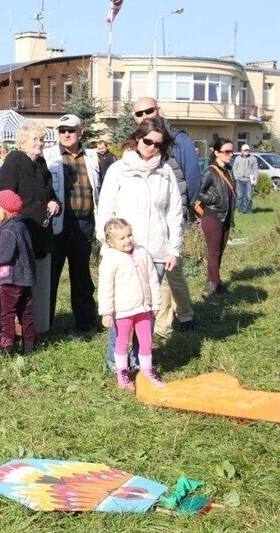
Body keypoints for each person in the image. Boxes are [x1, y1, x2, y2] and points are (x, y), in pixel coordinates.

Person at [96, 118, 183, 372]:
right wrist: (110, 246)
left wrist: (173, 249)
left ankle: (140, 361)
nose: (152, 147)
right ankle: (117, 363)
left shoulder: (165, 172)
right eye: (147, 141)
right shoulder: (119, 169)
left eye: (158, 144)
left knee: (146, 311)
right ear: (137, 139)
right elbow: (106, 211)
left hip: (155, 252)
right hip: (123, 254)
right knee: (123, 311)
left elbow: (174, 213)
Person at [132, 97, 197, 337]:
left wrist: (181, 214)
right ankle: (183, 314)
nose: (145, 115)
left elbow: (192, 179)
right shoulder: (137, 141)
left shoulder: (179, 139)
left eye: (149, 110)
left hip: (172, 217)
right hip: (146, 219)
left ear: (159, 109)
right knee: (163, 272)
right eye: (139, 113)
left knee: (170, 271)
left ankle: (165, 325)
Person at [0, 120, 61, 335]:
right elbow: (2, 198)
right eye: (35, 139)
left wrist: (54, 203)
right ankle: (16, 332)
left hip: (42, 233)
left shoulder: (42, 165)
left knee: (40, 283)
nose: (40, 143)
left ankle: (38, 328)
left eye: (42, 139)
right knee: (19, 287)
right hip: (19, 233)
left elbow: (51, 195)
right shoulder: (13, 162)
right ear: (23, 142)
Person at [44, 114, 100, 332]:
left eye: (71, 130)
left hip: (84, 222)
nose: (66, 134)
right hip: (57, 225)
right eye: (62, 131)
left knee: (82, 275)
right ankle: (44, 323)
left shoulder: (93, 157)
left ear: (81, 131)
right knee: (51, 276)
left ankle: (86, 322)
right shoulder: (48, 156)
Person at [98, 218, 164, 390]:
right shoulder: (110, 259)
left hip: (143, 308)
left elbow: (152, 278)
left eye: (129, 235)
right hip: (123, 310)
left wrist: (155, 302)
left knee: (146, 340)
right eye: (122, 238)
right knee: (122, 342)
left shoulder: (142, 253)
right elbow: (105, 287)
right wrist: (106, 312)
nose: (128, 240)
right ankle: (122, 374)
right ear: (111, 242)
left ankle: (147, 371)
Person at [0, 190, 36, 355]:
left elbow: (5, 256)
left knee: (7, 314)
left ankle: (7, 346)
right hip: (25, 278)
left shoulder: (7, 230)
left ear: (5, 210)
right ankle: (29, 346)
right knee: (25, 313)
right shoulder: (21, 225)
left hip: (11, 278)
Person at [198, 138, 236, 297]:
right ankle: (216, 284)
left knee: (219, 252)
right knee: (213, 252)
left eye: (231, 151)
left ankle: (210, 283)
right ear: (217, 153)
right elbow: (197, 192)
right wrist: (214, 200)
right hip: (212, 216)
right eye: (226, 151)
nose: (230, 154)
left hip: (226, 217)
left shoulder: (229, 170)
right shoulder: (210, 171)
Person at [232, 144, 257, 214]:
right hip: (239, 179)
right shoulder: (237, 158)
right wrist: (236, 177)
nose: (246, 151)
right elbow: (234, 168)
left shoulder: (253, 158)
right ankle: (240, 210)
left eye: (247, 150)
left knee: (249, 196)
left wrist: (256, 178)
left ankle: (249, 211)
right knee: (240, 196)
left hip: (249, 179)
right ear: (242, 151)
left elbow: (255, 169)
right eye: (245, 150)